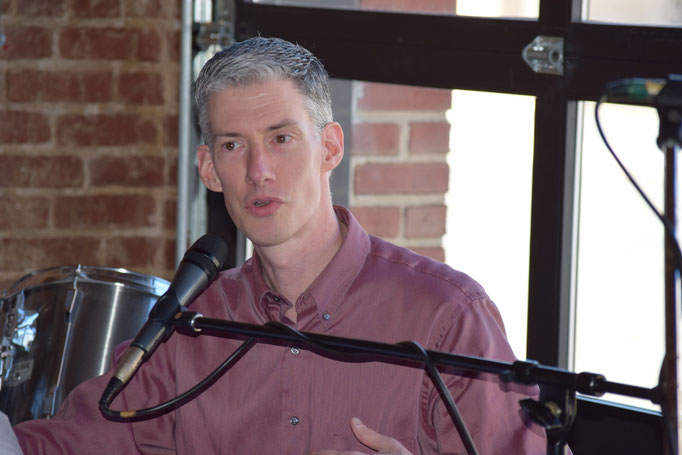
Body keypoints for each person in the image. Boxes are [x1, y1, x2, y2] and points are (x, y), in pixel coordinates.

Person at [8, 36, 548, 454]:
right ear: (210, 170)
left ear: (330, 147)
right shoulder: (191, 323)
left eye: (281, 139)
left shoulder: (448, 317)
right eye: (233, 145)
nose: (259, 171)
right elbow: (72, 444)